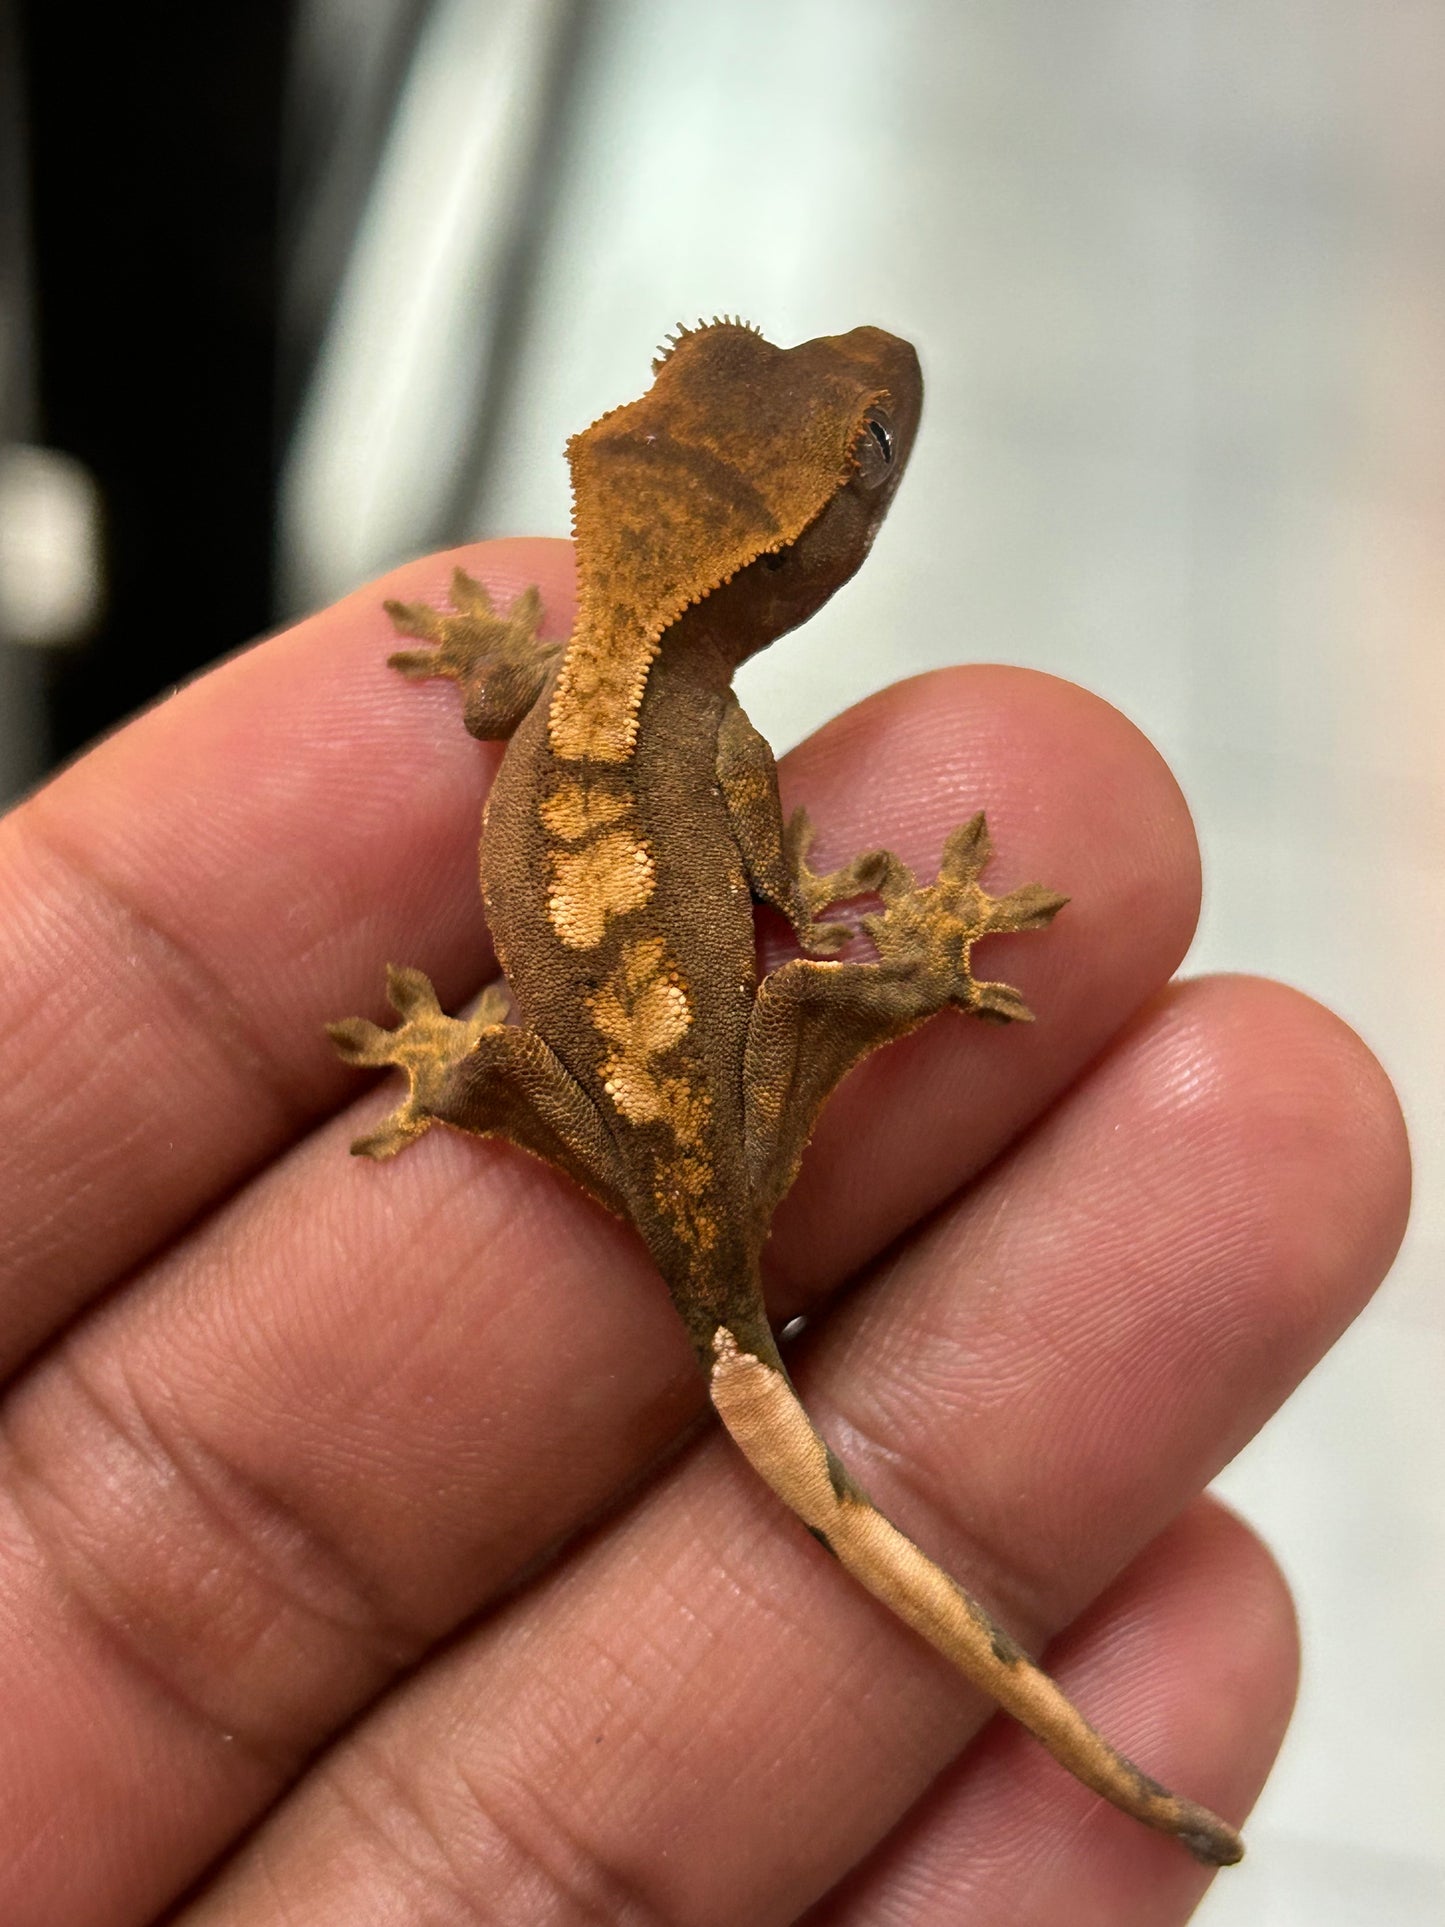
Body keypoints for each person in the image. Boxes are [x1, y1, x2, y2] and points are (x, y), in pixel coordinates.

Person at [0, 537, 1408, 1924]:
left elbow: (520, 722)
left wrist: (500, 680)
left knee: (693, 1054)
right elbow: (776, 897)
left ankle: (473, 1071)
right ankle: (812, 995)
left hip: (629, 1128)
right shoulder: (707, 729)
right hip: (666, 1133)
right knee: (790, 1006)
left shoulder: (573, 684)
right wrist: (875, 930)